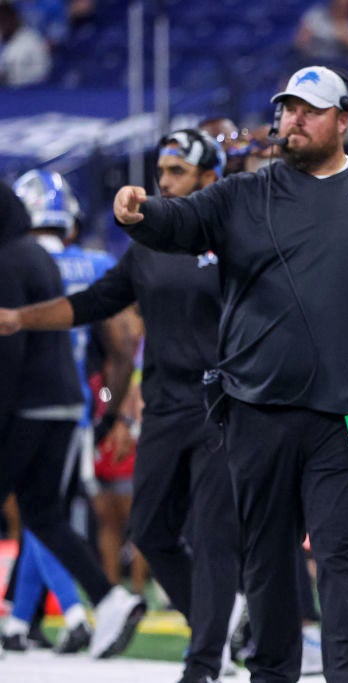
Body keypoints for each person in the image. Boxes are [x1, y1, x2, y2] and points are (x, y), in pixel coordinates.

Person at [110, 66, 348, 682]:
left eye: (310, 110)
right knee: (267, 558)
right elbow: (180, 224)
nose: (294, 119)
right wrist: (138, 214)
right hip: (257, 410)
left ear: (342, 121)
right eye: (288, 109)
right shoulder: (243, 195)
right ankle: (271, 673)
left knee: (343, 553)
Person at [0, 130, 241, 683]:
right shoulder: (148, 244)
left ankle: (208, 656)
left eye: (178, 171)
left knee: (211, 534)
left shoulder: (234, 239)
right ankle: (215, 628)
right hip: (162, 406)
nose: (164, 180)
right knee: (151, 533)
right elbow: (96, 303)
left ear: (209, 178)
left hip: (222, 406)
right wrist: (22, 318)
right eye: (162, 169)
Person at [0, 180, 146, 660]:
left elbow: (11, 342)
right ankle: (51, 613)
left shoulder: (12, 259)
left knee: (53, 515)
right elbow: (118, 353)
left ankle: (68, 614)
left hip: (28, 401)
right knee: (46, 514)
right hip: (79, 404)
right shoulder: (84, 262)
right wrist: (109, 408)